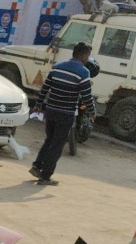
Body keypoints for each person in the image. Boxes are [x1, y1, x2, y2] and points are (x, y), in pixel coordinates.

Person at [29, 42, 96, 186]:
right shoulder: (83, 72)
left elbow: (45, 88)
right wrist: (92, 111)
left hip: (51, 110)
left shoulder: (57, 67)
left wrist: (38, 105)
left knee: (49, 139)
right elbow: (87, 96)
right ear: (83, 54)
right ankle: (45, 177)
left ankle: (37, 165)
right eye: (88, 55)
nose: (88, 58)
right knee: (57, 145)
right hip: (66, 114)